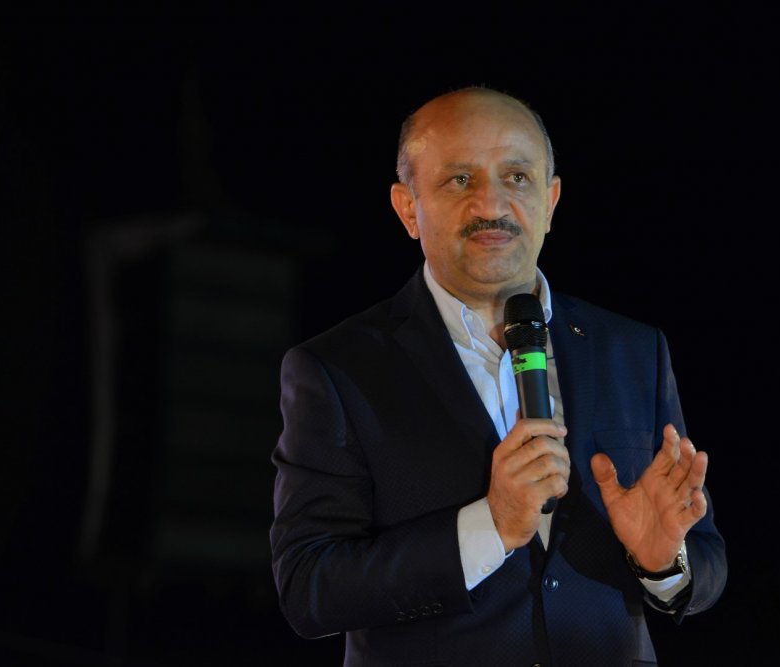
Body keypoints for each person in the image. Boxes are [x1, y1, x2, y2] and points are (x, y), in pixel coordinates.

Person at [270, 85, 727, 666]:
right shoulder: (338, 369)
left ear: (550, 202)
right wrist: (491, 526)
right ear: (408, 208)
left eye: (517, 177)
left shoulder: (633, 350)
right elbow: (309, 587)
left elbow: (705, 560)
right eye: (460, 179)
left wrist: (662, 563)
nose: (490, 202)